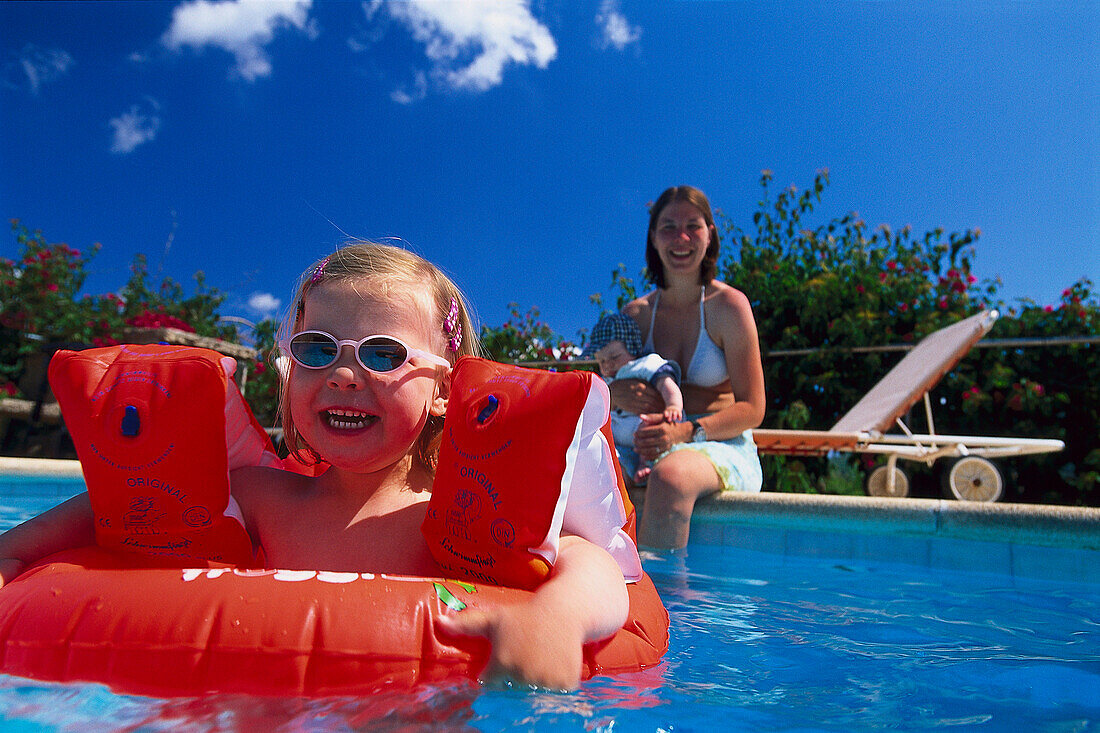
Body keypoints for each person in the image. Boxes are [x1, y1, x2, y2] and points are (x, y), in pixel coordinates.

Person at [0, 241, 628, 690]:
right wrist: (14, 550)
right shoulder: (264, 497)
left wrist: (558, 616)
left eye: (383, 355)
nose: (345, 375)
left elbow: (589, 562)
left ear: (445, 390)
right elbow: (118, 506)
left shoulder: (453, 508)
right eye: (317, 350)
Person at [611, 185, 766, 550]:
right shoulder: (635, 315)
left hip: (720, 441)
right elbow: (604, 383)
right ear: (653, 237)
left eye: (692, 226)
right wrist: (614, 391)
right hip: (641, 445)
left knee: (671, 477)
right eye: (667, 227)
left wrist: (684, 434)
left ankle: (668, 604)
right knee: (593, 471)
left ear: (710, 233)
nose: (680, 238)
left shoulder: (728, 307)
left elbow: (753, 408)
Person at [583, 312, 683, 485]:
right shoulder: (604, 381)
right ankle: (624, 477)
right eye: (602, 361)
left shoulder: (644, 365)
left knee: (648, 427)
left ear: (632, 347)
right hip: (620, 442)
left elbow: (666, 383)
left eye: (614, 357)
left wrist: (673, 405)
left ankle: (646, 463)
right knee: (610, 460)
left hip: (645, 425)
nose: (608, 365)